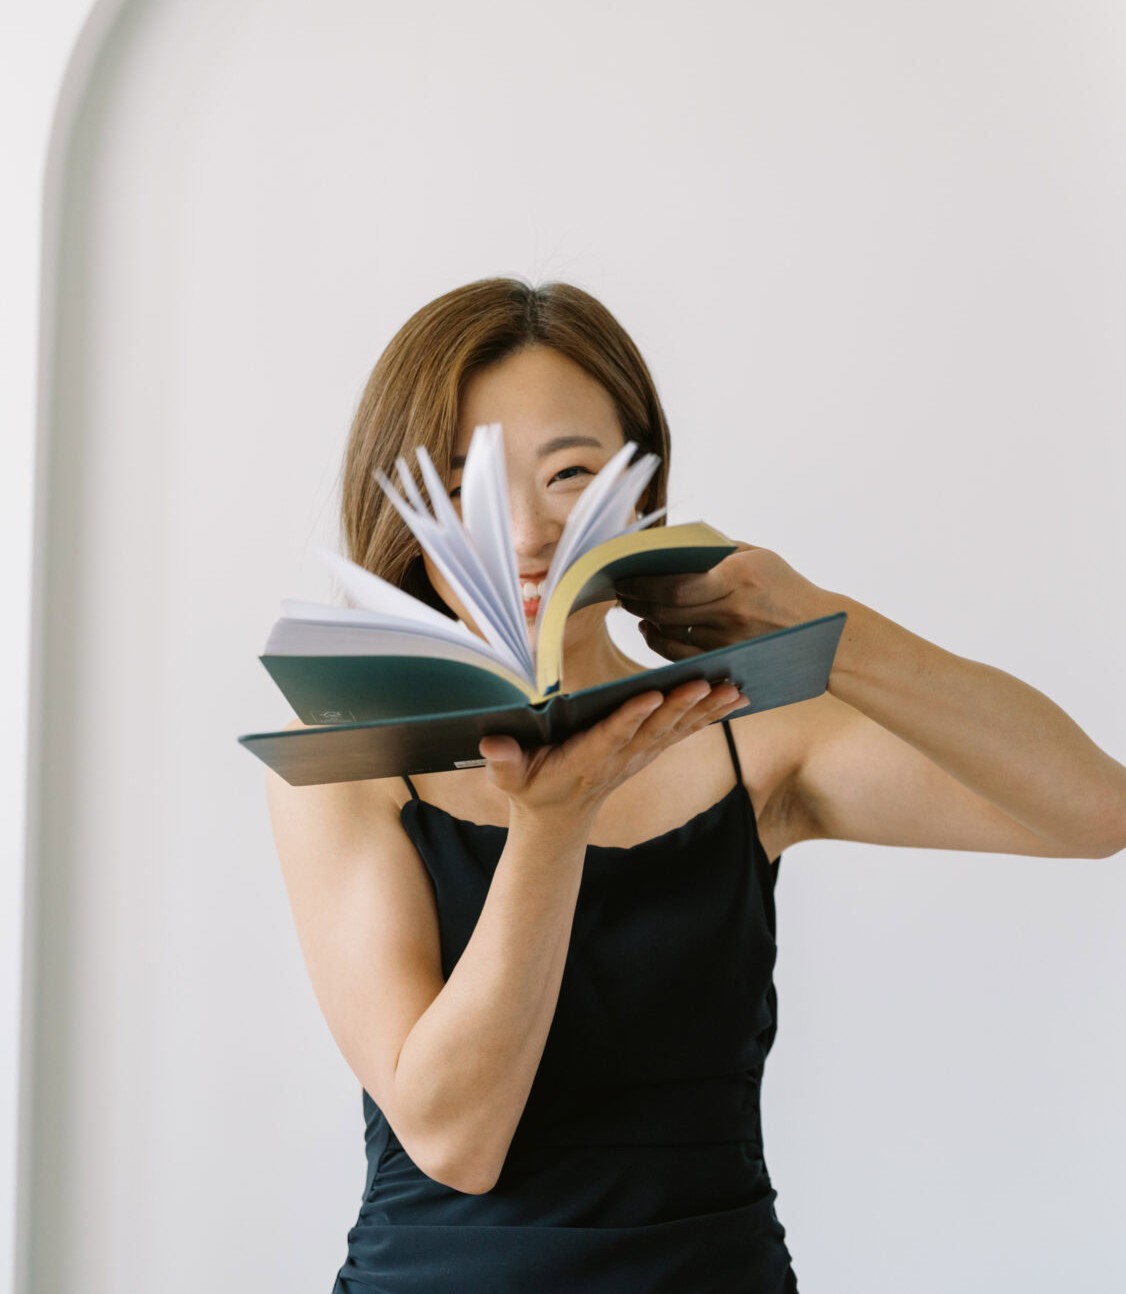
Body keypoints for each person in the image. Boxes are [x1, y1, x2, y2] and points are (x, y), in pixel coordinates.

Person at [265, 277, 1125, 1293]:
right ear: (408, 510)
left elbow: (1091, 811)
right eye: (467, 486)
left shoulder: (744, 736)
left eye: (572, 474)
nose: (531, 533)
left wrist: (825, 629)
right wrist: (552, 823)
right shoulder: (350, 760)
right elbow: (456, 1140)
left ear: (642, 490)